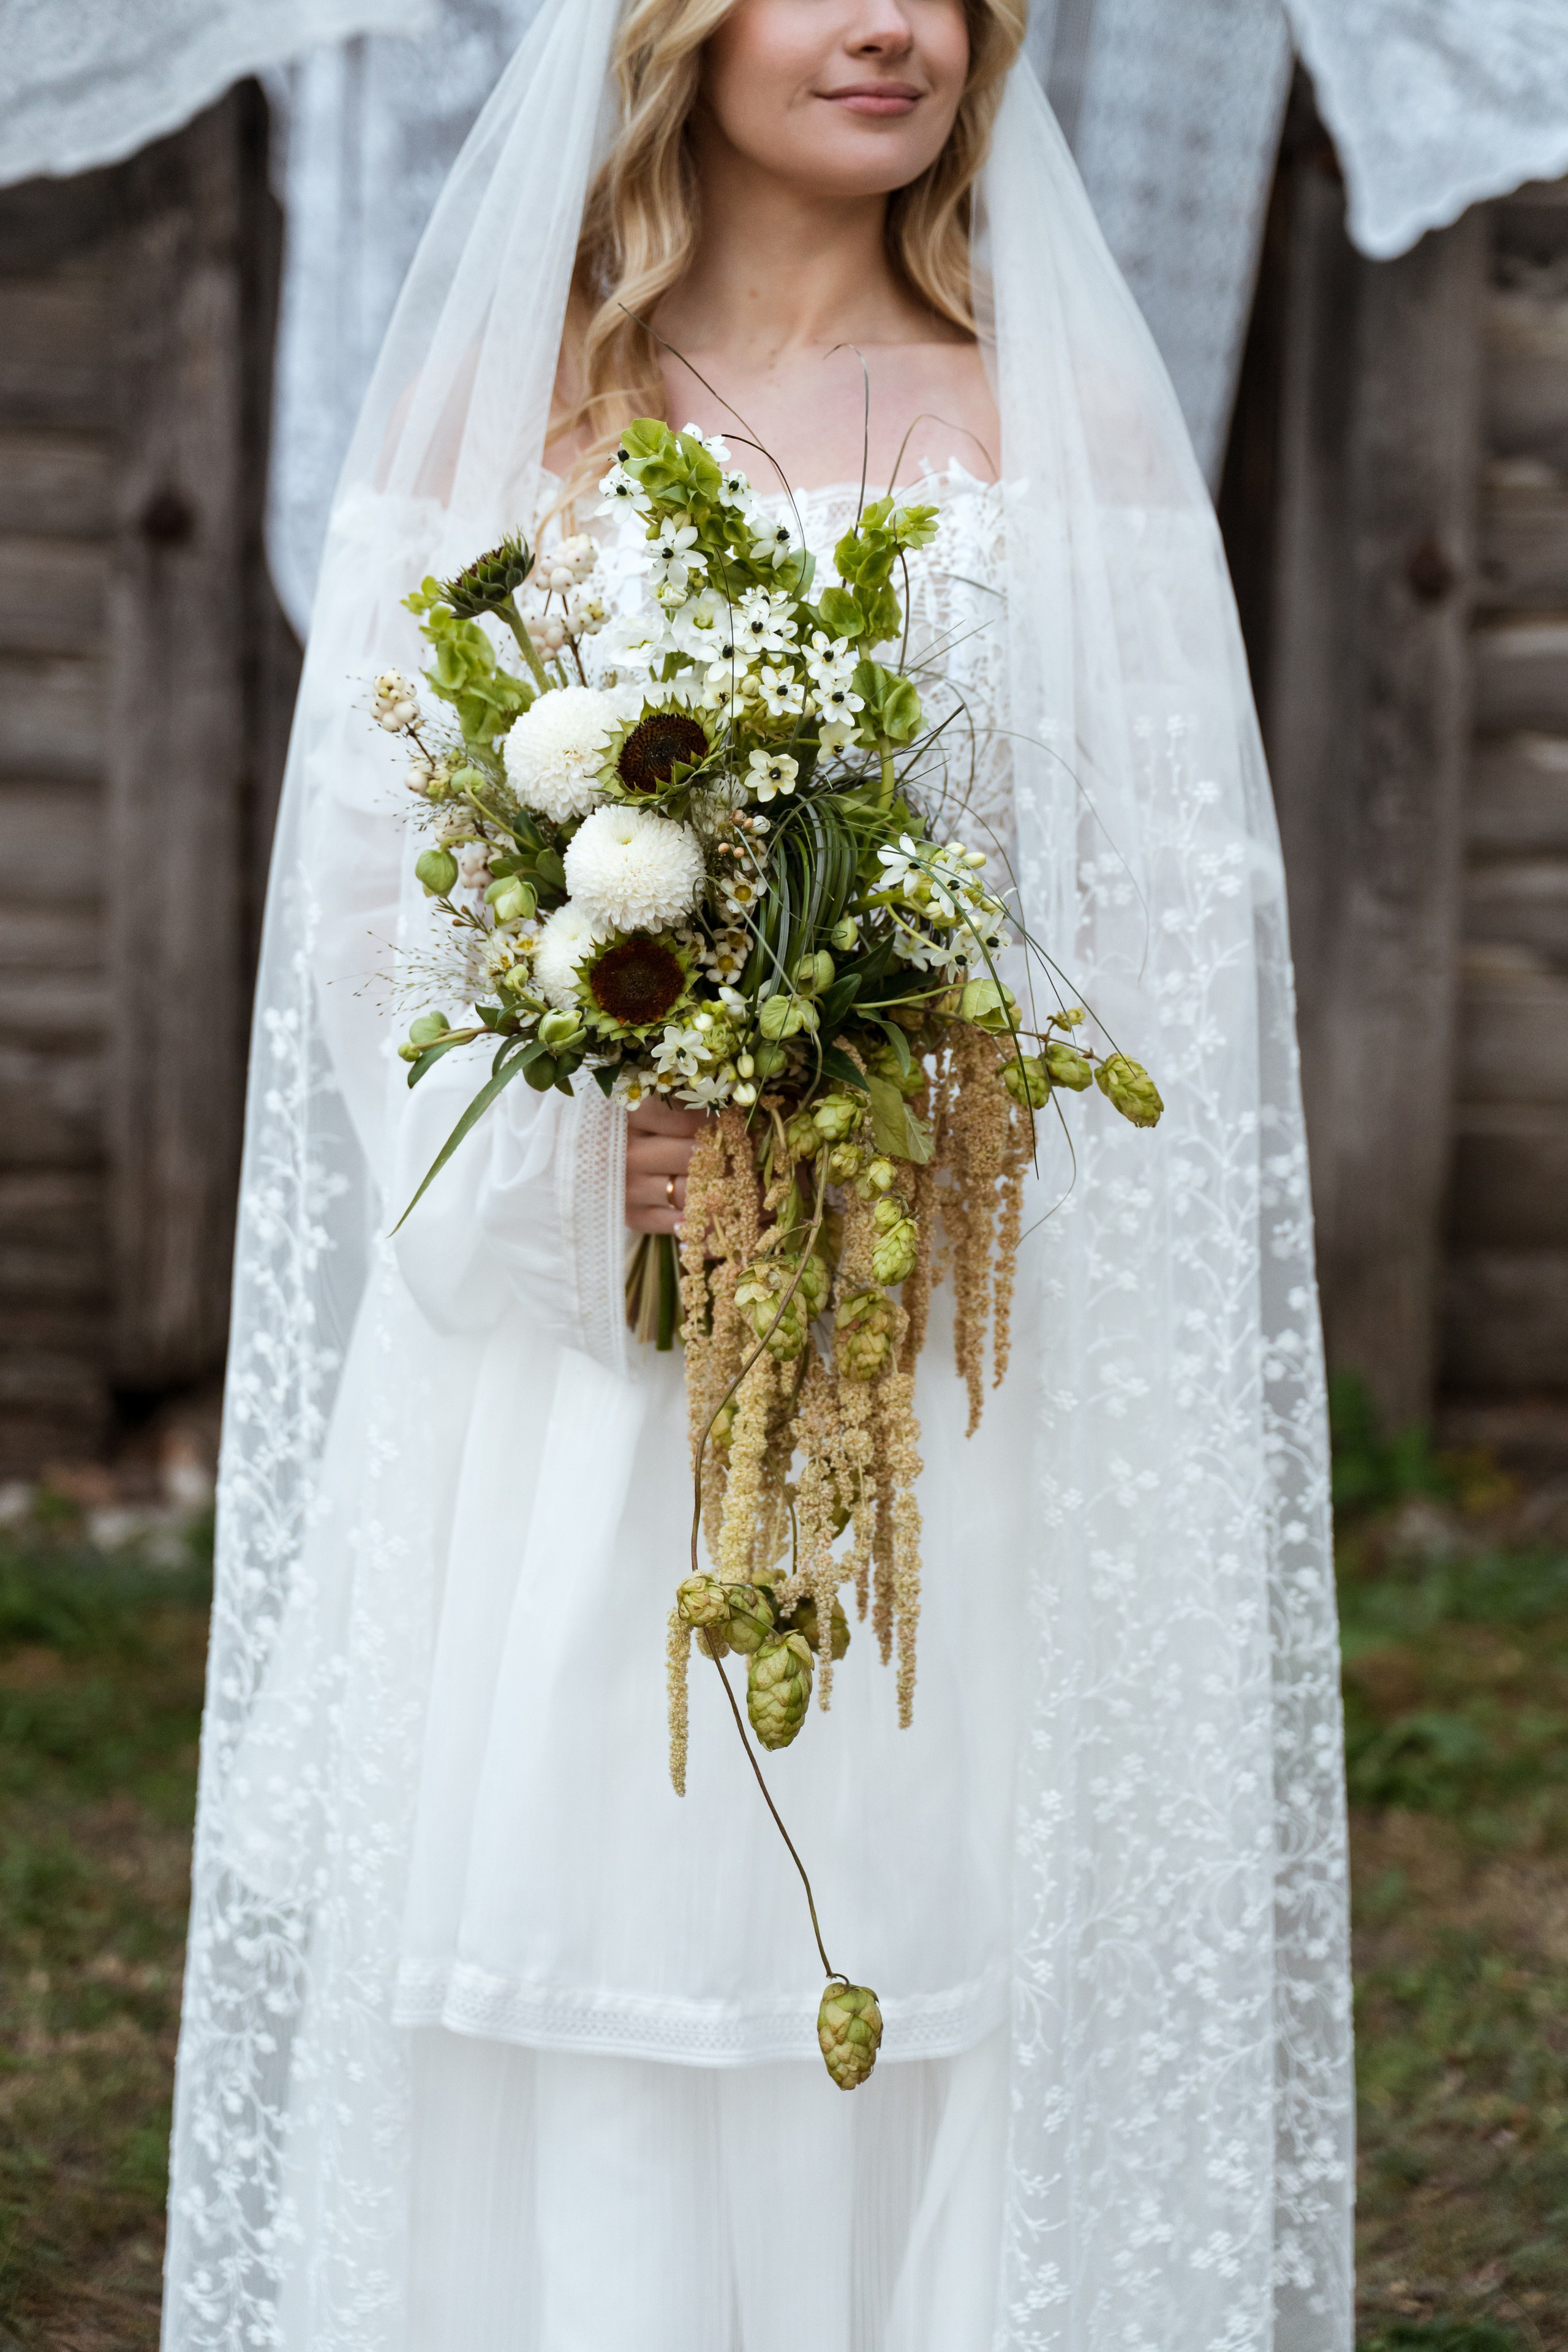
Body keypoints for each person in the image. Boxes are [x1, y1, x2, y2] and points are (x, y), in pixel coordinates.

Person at [163, 5, 1355, 2348]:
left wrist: (932, 1122)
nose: (897, 26)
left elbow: (1169, 913)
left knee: (934, 1926)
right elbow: (375, 913)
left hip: (948, 1343)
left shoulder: (1066, 425)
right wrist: (572, 1152)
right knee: (606, 1925)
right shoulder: (509, 421)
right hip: (595, 1380)